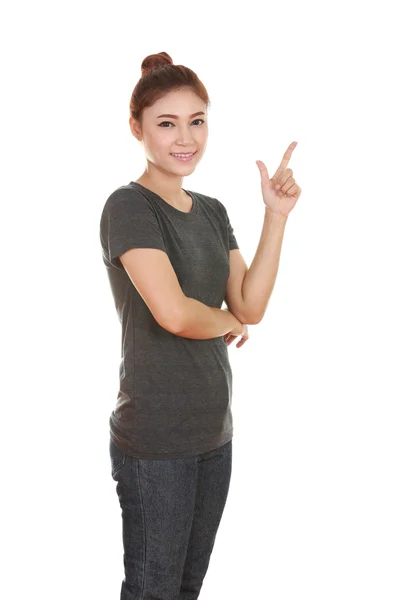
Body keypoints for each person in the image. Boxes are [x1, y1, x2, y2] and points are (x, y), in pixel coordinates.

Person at [99, 51, 248, 599]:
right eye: (167, 123)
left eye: (197, 120)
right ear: (136, 128)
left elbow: (250, 305)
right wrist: (227, 318)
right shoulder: (128, 206)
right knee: (153, 590)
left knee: (187, 587)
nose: (186, 138)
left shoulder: (212, 209)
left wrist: (277, 217)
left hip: (214, 432)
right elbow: (175, 313)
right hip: (155, 441)